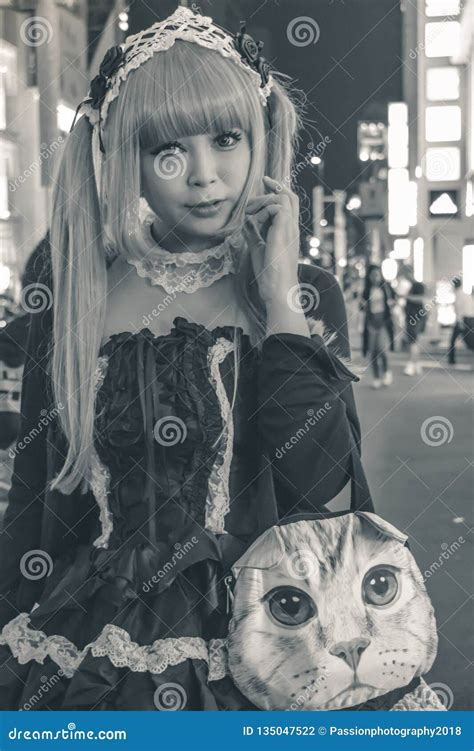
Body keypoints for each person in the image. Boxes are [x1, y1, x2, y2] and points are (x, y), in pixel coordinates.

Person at [0, 7, 364, 710]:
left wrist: (281, 297)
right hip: (88, 641)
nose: (204, 175)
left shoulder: (305, 292)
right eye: (167, 149)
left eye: (227, 139)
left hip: (264, 637)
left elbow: (317, 493)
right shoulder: (79, 287)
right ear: (124, 158)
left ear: (258, 135)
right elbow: (39, 504)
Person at [361, 264, 395, 389]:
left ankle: (386, 372)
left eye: (377, 274)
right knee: (373, 352)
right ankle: (376, 377)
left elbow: (393, 302)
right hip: (370, 322)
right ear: (369, 277)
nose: (375, 277)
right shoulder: (366, 290)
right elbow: (362, 307)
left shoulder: (386, 288)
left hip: (383, 322)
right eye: (372, 275)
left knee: (381, 349)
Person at [402, 267, 427, 376]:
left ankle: (411, 364)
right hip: (413, 317)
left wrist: (407, 297)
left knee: (413, 342)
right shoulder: (412, 286)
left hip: (416, 317)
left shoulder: (418, 285)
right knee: (414, 342)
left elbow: (421, 298)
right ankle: (416, 364)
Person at [448, 278, 474, 364]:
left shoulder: (458, 295)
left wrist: (459, 322)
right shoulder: (466, 295)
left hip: (464, 320)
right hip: (470, 319)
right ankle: (451, 359)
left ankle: (451, 360)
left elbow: (459, 310)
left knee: (454, 340)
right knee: (469, 340)